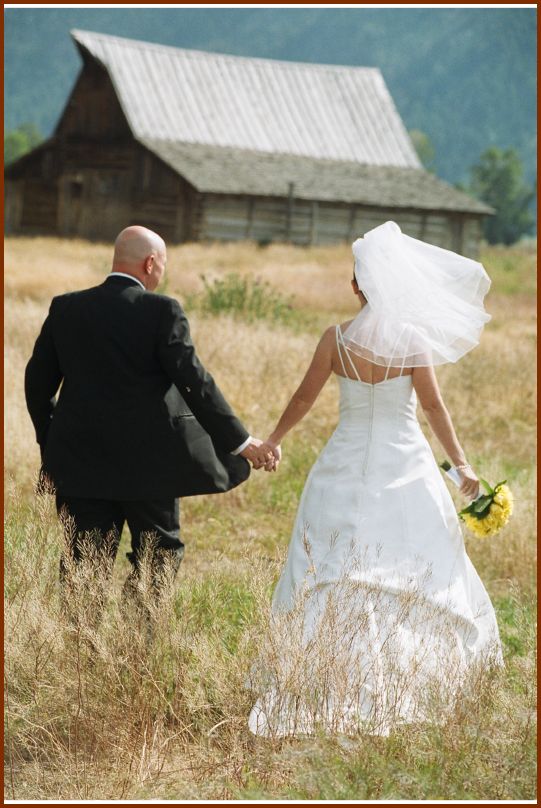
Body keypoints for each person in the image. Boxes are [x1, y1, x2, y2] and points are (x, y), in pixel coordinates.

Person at [249, 221, 504, 738]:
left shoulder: (335, 339)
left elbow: (304, 398)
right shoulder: (412, 341)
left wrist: (273, 439)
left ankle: (317, 673)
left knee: (335, 559)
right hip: (403, 460)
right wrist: (460, 467)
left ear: (355, 288)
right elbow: (433, 406)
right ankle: (419, 672)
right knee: (412, 558)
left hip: (343, 459)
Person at [25, 225, 274, 623]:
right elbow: (195, 383)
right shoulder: (162, 311)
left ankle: (78, 657)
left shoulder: (66, 308)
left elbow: (36, 387)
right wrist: (242, 443)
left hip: (80, 465)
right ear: (150, 263)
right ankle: (133, 647)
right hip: (151, 471)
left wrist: (51, 444)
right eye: (163, 265)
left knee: (83, 563)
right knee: (158, 557)